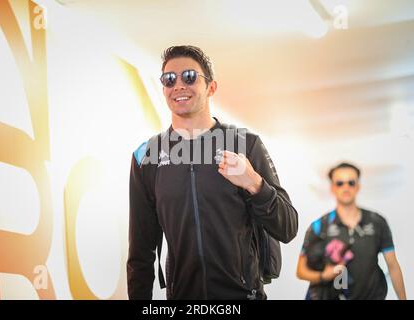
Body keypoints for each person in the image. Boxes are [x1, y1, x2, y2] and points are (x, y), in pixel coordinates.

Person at [127, 45, 298, 300]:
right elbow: (141, 251)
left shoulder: (244, 143)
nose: (179, 86)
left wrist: (255, 184)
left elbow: (288, 226)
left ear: (211, 87)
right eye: (169, 79)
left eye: (190, 76)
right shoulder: (146, 156)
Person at [296, 162, 407, 300]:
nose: (346, 187)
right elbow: (300, 271)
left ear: (358, 186)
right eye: (340, 183)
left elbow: (393, 265)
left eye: (351, 182)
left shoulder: (377, 222)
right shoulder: (319, 226)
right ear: (332, 188)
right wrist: (323, 276)